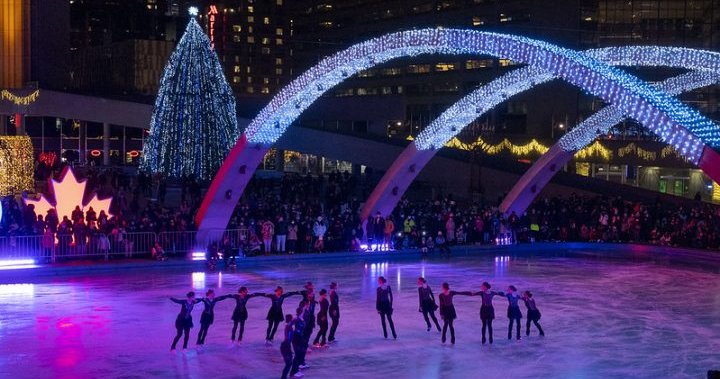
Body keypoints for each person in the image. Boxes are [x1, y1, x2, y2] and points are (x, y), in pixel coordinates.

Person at [290, 307, 306, 378]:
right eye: (303, 311)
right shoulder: (295, 319)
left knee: (299, 354)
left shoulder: (302, 319)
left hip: (301, 338)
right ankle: (293, 372)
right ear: (301, 312)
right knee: (297, 355)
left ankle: (296, 370)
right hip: (296, 338)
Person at [280, 314, 295, 379]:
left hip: (287, 346)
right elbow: (291, 323)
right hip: (285, 347)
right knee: (288, 363)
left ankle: (284, 377)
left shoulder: (289, 326)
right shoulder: (288, 326)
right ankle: (283, 377)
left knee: (289, 363)